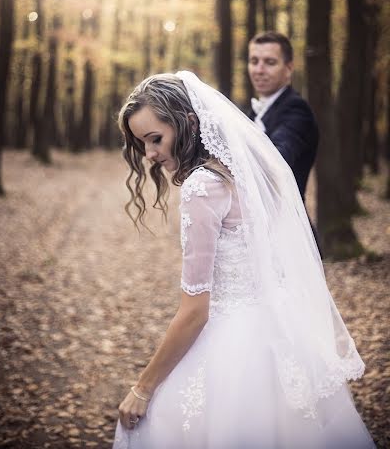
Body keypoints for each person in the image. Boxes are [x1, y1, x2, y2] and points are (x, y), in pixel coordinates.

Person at [112, 71, 375, 449]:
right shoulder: (244, 174)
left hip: (232, 348)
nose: (150, 154)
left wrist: (143, 387)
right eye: (142, 143)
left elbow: (194, 311)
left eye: (156, 139)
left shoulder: (202, 187)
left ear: (187, 123)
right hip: (280, 333)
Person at [247, 31, 318, 202]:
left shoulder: (297, 110)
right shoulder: (254, 112)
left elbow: (277, 158)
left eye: (270, 62)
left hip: (285, 222)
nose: (259, 70)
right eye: (254, 61)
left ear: (289, 68)